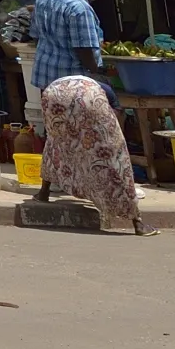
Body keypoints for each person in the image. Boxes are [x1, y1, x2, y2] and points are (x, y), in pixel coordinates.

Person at [35, 73, 147, 234]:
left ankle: (43, 193)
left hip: (53, 93)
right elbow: (116, 118)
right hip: (87, 96)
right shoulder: (105, 91)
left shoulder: (71, 80)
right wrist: (114, 143)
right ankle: (138, 223)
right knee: (114, 156)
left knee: (55, 144)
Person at [29, 0, 106, 105]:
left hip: (46, 75)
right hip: (72, 82)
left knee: (53, 120)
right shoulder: (80, 8)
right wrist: (95, 72)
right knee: (76, 123)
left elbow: (35, 36)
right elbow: (84, 49)